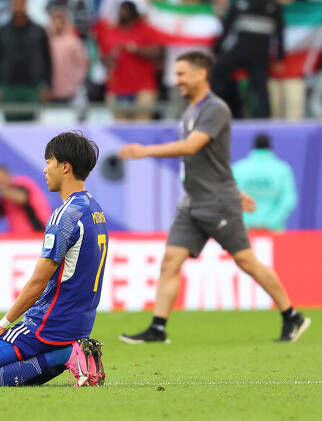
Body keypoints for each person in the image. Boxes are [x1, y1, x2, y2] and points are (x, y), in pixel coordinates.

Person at [118, 51, 311, 344]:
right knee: (171, 260)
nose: (176, 80)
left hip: (217, 203)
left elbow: (193, 147)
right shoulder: (189, 113)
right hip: (193, 201)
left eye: (182, 74)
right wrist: (237, 189)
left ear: (200, 74)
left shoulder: (215, 109)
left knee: (246, 261)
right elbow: (215, 162)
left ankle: (292, 316)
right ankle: (158, 327)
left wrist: (145, 151)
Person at [0, 132, 107, 387]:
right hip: (80, 322)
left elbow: (38, 282)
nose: (44, 169)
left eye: (49, 161)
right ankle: (74, 354)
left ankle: (69, 353)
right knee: (2, 379)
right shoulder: (94, 209)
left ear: (65, 167)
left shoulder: (64, 216)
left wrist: (2, 324)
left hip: (49, 323)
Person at [211, 0, 284, 118]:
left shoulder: (273, 6)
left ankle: (265, 122)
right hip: (239, 52)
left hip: (260, 57)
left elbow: (279, 33)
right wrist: (217, 51)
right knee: (218, 72)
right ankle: (219, 112)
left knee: (261, 90)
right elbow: (227, 27)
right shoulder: (240, 3)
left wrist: (280, 57)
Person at [95, 0, 161, 120]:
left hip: (143, 87)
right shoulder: (110, 33)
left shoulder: (146, 30)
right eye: (120, 10)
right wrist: (111, 58)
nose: (122, 13)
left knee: (142, 125)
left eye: (125, 10)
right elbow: (103, 58)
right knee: (120, 129)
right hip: (117, 88)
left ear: (133, 13)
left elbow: (158, 51)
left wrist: (137, 50)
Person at [0, 0, 52, 120]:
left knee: (32, 127)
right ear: (10, 5)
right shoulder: (2, 31)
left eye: (20, 3)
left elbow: (47, 60)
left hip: (33, 88)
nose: (18, 6)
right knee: (10, 127)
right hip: (8, 88)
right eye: (15, 3)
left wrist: (47, 86)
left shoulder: (38, 31)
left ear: (25, 4)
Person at [232, 134, 297, 231]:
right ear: (270, 147)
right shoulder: (282, 170)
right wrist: (270, 224)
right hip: (273, 232)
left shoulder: (237, 168)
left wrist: (247, 223)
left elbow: (229, 199)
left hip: (244, 232)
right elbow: (288, 201)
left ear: (253, 147)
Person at [0, 165, 51, 234]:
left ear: (8, 175)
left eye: (0, 178)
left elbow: (21, 198)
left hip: (39, 234)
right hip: (17, 238)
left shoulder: (22, 183)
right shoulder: (4, 197)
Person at [46, 5, 88, 103]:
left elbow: (82, 64)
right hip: (50, 91)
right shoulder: (47, 41)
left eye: (59, 20)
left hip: (70, 92)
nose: (57, 23)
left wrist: (76, 83)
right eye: (54, 20)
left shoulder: (73, 41)